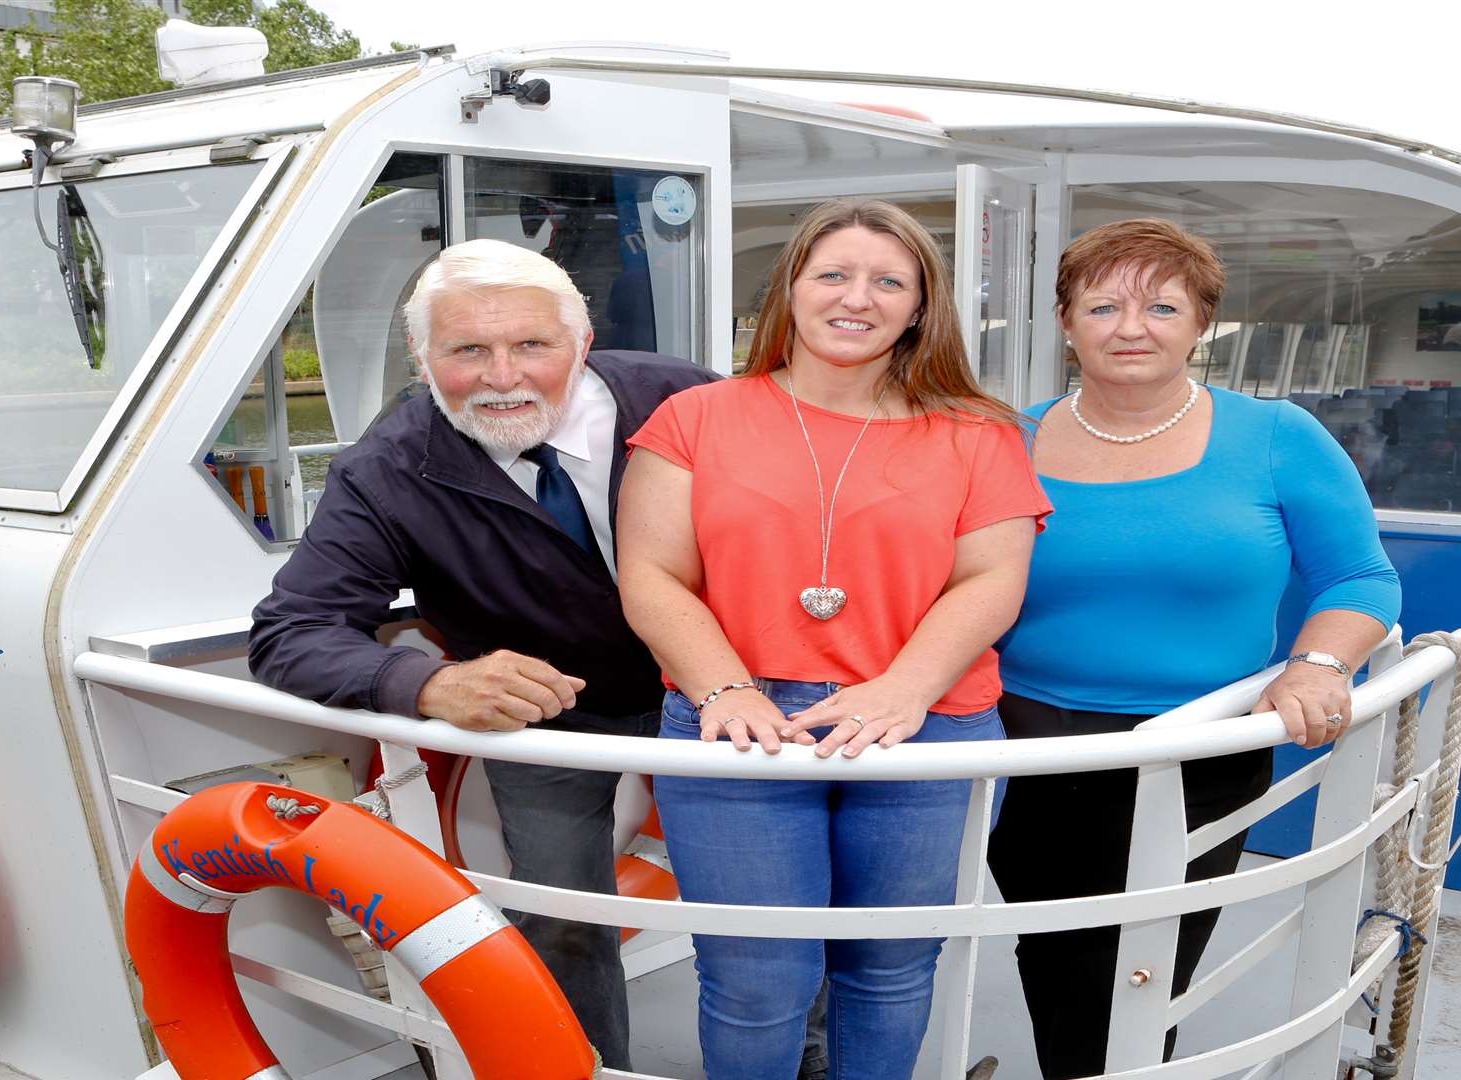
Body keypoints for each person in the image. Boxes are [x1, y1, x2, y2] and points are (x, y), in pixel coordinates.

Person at [247, 238, 718, 1070]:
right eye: (467, 350)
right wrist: (429, 682)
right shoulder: (387, 471)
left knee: (765, 901)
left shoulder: (684, 399)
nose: (503, 375)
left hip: (718, 692)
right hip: (545, 716)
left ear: (580, 343)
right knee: (560, 915)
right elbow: (290, 632)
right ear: (423, 361)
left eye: (531, 344)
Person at [617, 199, 1052, 1080]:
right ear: (793, 289)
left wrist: (907, 688)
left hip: (928, 728)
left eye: (889, 280)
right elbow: (653, 576)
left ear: (921, 306)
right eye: (835, 274)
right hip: (736, 727)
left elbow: (992, 580)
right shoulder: (694, 418)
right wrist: (725, 688)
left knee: (889, 969)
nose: (859, 298)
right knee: (753, 978)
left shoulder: (978, 432)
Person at [988, 218, 1402, 1078]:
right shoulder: (1003, 438)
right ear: (1065, 322)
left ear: (1201, 322)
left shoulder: (1277, 435)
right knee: (1054, 959)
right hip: (1023, 747)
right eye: (1101, 305)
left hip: (1198, 752)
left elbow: (1360, 577)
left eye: (1161, 307)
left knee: (1139, 973)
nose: (1130, 328)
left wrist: (1317, 662)